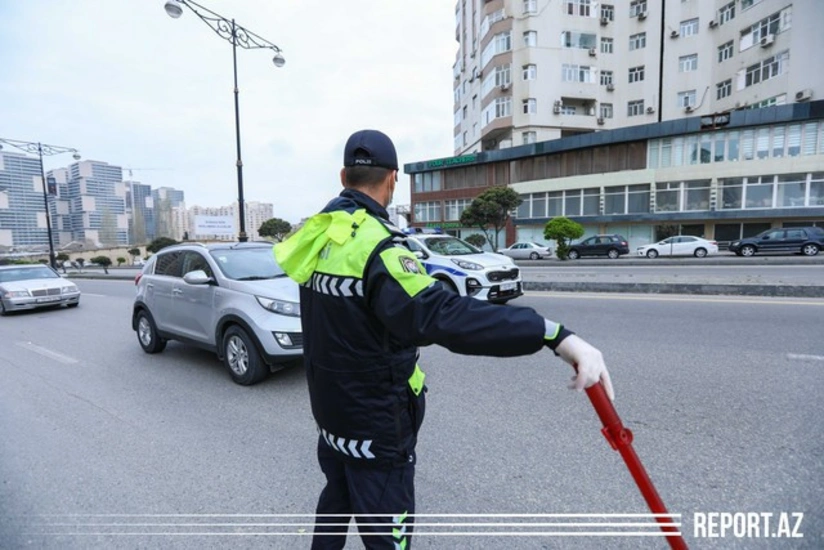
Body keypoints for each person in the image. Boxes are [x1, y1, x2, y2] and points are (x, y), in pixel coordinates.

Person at [274, 129, 614, 550]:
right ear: (393, 179)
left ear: (343, 176)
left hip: (331, 417)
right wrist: (551, 333)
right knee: (386, 536)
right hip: (375, 425)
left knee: (335, 506)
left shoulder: (319, 236)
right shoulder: (378, 247)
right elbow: (439, 314)